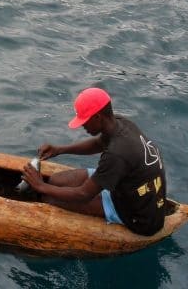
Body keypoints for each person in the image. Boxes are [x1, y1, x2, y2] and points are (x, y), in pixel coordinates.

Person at [21, 87, 167, 235]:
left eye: (84, 121)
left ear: (98, 117)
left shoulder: (116, 154)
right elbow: (99, 144)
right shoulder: (120, 123)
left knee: (48, 198)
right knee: (54, 180)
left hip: (139, 217)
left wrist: (40, 186)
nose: (82, 125)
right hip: (128, 188)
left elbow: (83, 195)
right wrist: (60, 150)